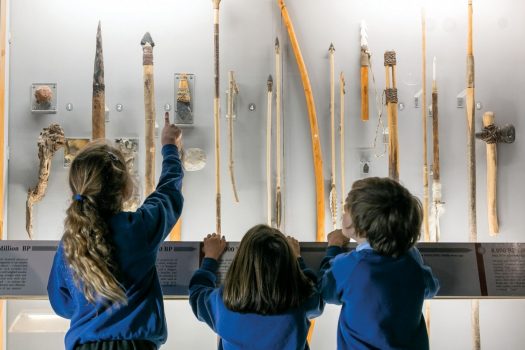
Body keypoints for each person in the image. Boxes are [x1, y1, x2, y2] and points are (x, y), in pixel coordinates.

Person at [47, 112, 183, 350]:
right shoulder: (139, 228)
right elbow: (169, 192)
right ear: (125, 188)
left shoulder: (70, 243)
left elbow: (62, 304)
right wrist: (170, 147)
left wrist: (92, 303)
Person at [319, 177, 439, 350]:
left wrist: (334, 248)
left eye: (347, 208)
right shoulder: (412, 259)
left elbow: (325, 290)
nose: (343, 211)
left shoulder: (350, 266)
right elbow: (430, 287)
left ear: (361, 225)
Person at [189, 225, 324, 350]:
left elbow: (197, 295)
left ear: (241, 262)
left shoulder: (223, 303)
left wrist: (210, 258)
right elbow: (315, 294)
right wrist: (298, 259)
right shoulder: (301, 299)